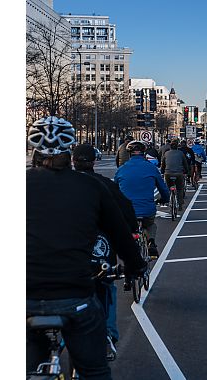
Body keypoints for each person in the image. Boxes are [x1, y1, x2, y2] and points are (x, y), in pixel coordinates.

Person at [26, 116, 146, 379]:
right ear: (70, 150)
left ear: (34, 150)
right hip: (75, 296)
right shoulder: (91, 186)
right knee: (95, 370)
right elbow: (120, 233)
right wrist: (136, 266)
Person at [71, 143, 137, 361]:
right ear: (95, 161)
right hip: (99, 256)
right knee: (106, 287)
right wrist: (134, 261)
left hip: (57, 265)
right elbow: (125, 218)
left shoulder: (49, 186)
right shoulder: (102, 185)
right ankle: (108, 335)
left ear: (73, 160)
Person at [114, 140, 170, 258]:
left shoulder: (121, 170)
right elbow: (163, 189)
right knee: (150, 225)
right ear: (144, 154)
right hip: (147, 209)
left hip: (128, 211)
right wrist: (165, 199)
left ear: (129, 154)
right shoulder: (151, 168)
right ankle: (151, 242)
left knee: (126, 228)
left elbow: (114, 191)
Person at [160, 139, 189, 210]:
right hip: (179, 173)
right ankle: (180, 204)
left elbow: (163, 164)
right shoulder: (181, 153)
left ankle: (168, 200)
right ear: (177, 147)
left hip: (168, 173)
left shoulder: (166, 154)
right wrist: (186, 171)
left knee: (167, 187)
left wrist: (162, 172)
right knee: (179, 189)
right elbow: (185, 164)